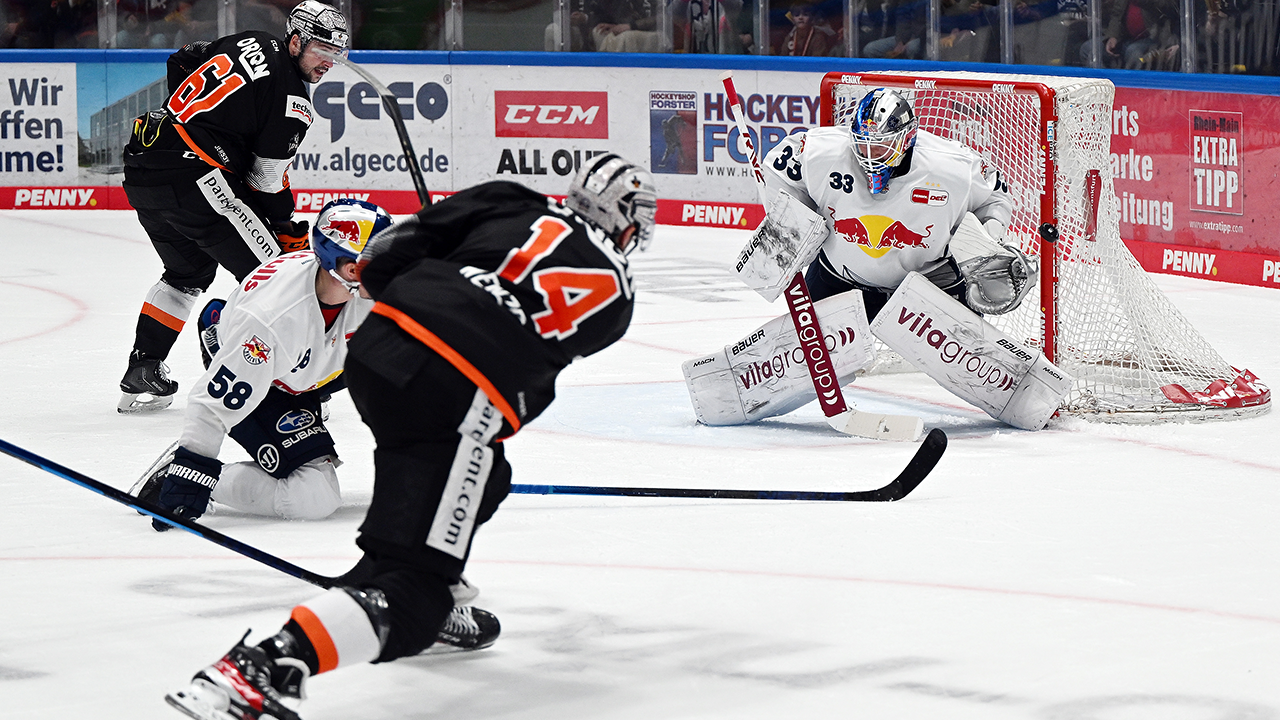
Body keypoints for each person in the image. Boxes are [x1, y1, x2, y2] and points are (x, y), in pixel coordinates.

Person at [161, 155, 658, 720]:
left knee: (486, 477)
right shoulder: (618, 294)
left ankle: (416, 573)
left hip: (377, 355)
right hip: (457, 390)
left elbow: (388, 251)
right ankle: (265, 665)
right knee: (414, 598)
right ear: (624, 218)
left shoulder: (509, 197)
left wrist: (431, 288)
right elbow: (536, 361)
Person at [117, 0, 349, 414]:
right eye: (322, 51)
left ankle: (144, 367)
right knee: (280, 277)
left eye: (336, 55)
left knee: (187, 272)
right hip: (196, 178)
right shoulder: (294, 101)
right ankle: (286, 382)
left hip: (145, 165)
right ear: (295, 40)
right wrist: (283, 222)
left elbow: (182, 59)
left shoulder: (249, 40)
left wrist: (199, 125)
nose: (328, 63)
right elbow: (264, 180)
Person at [131, 199, 389, 531]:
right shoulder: (271, 321)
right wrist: (192, 471)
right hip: (264, 376)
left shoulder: (364, 290)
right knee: (314, 497)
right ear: (338, 265)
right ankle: (194, 482)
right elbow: (211, 407)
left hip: (307, 367)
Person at [761, 87, 1017, 320]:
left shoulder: (953, 166)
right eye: (864, 146)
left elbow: (995, 197)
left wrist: (990, 239)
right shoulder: (822, 151)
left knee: (964, 364)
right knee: (822, 363)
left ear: (907, 138)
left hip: (931, 283)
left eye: (882, 146)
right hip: (840, 278)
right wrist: (793, 223)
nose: (871, 157)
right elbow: (777, 170)